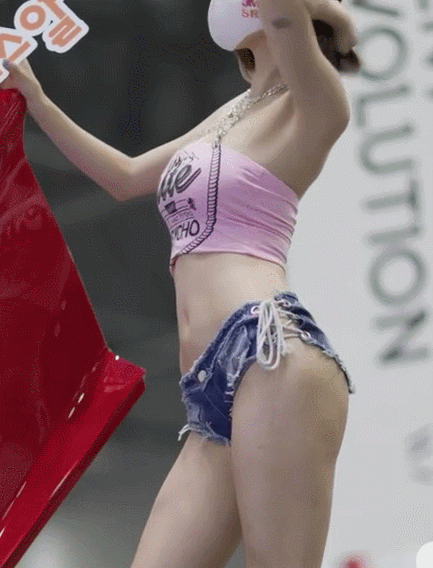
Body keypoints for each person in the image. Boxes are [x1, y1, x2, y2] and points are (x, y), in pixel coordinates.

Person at [0, 0, 360, 565]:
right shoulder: (236, 111)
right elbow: (125, 177)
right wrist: (38, 100)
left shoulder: (315, 101)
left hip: (267, 352)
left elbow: (285, 17)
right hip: (206, 391)